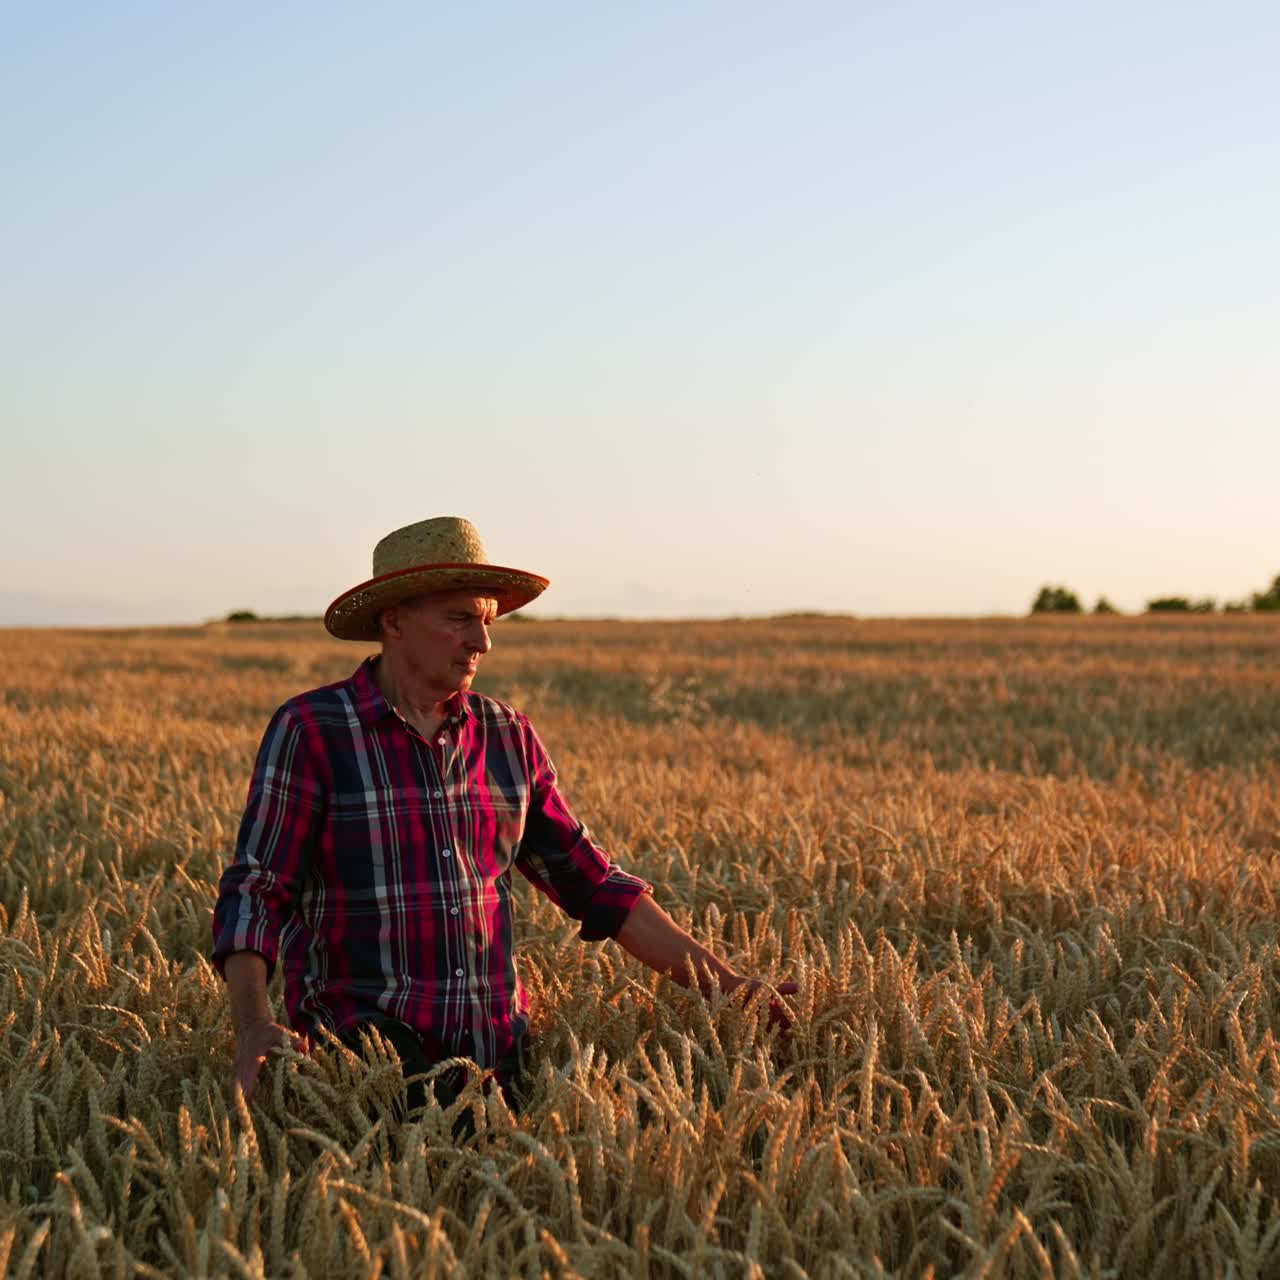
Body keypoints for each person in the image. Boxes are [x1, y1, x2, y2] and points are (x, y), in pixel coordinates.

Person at [212, 516, 796, 1130]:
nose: (482, 642)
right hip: (367, 1048)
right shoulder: (313, 730)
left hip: (496, 1051)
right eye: (460, 617)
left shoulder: (507, 736)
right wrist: (254, 1024)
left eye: (488, 620)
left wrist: (729, 988)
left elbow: (595, 886)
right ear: (394, 620)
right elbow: (256, 888)